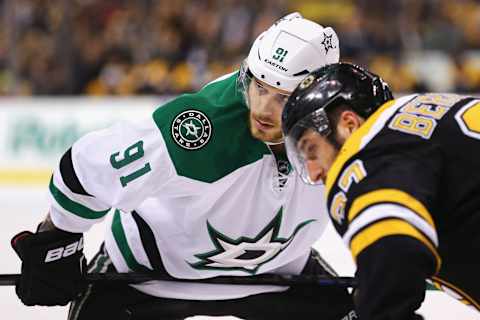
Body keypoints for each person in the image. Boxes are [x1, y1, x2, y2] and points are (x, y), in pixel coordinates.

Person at [11, 13, 357, 320]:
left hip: (281, 278)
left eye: (282, 97)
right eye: (259, 86)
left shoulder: (348, 124)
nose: (263, 109)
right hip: (146, 279)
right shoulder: (198, 128)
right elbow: (85, 169)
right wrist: (57, 237)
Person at [281, 62, 480, 319]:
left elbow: (392, 257)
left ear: (349, 125)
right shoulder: (429, 113)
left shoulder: (367, 152)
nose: (313, 172)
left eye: (311, 150)